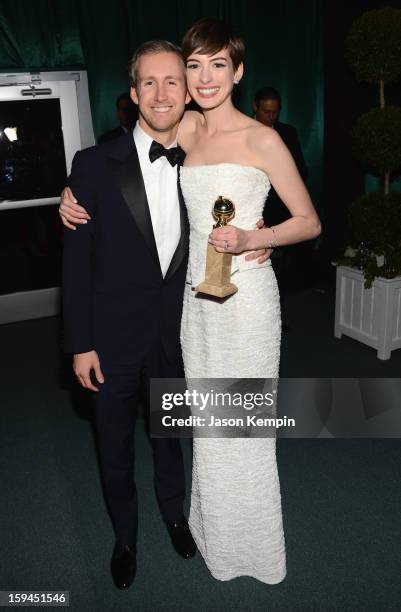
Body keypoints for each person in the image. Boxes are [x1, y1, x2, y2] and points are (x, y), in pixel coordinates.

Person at [61, 19, 321, 585]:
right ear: (138, 94)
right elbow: (111, 179)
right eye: (192, 68)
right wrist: (68, 198)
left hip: (242, 304)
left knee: (240, 425)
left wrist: (258, 238)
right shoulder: (183, 131)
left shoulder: (263, 137)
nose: (194, 82)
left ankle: (226, 534)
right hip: (187, 314)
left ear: (239, 72)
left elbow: (309, 222)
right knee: (197, 425)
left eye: (214, 66)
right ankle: (158, 533)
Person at [62, 41, 196, 590]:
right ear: (133, 91)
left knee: (170, 436)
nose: (161, 94)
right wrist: (79, 343)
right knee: (113, 444)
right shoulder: (93, 165)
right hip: (111, 339)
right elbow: (75, 265)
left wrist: (262, 244)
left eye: (172, 82)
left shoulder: (209, 159)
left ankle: (174, 514)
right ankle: (125, 536)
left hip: (177, 333)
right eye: (149, 83)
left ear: (189, 90)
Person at [254, 86, 309, 319]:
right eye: (266, 111)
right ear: (255, 108)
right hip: (255, 211)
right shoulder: (242, 132)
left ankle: (277, 315)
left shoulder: (288, 133)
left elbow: (302, 171)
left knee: (281, 270)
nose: (271, 117)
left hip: (281, 211)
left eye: (275, 112)